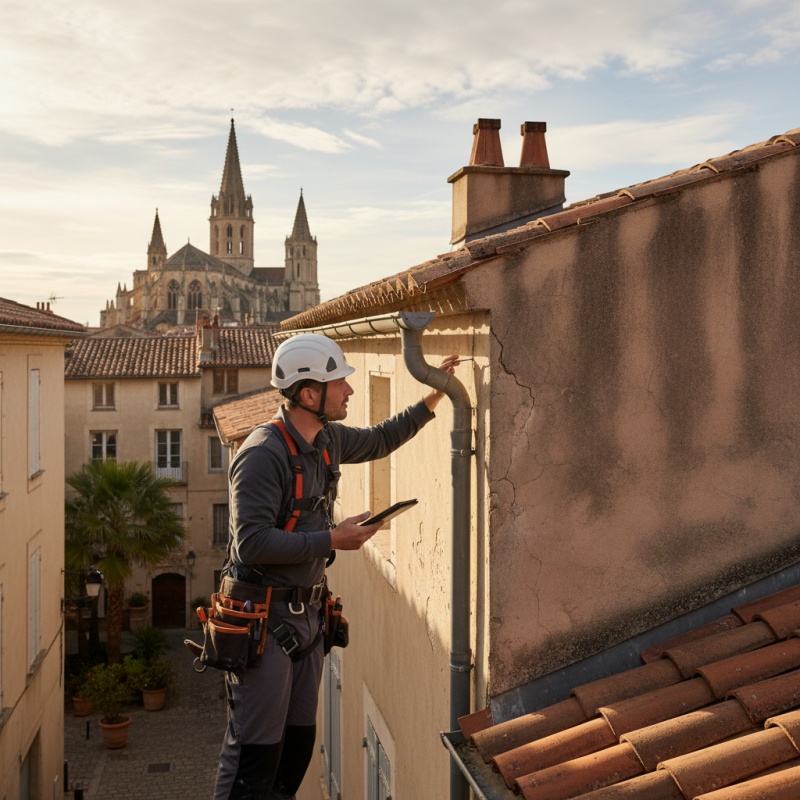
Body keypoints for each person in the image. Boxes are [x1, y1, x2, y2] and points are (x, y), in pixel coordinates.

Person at [214, 333, 458, 800]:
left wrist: (433, 395)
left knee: (297, 750)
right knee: (253, 758)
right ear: (309, 394)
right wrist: (332, 539)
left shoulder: (326, 439)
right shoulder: (263, 454)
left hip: (305, 618)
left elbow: (381, 439)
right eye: (339, 383)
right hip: (264, 621)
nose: (349, 391)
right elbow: (250, 543)